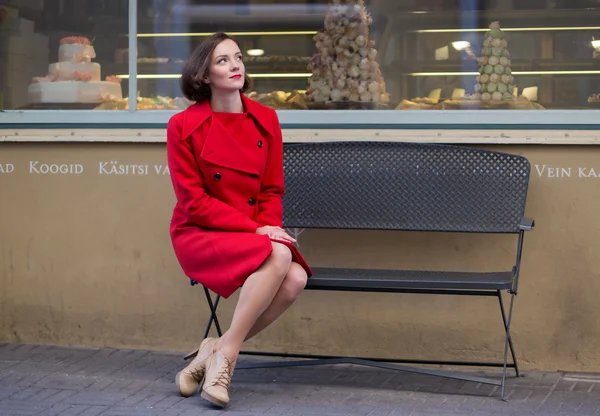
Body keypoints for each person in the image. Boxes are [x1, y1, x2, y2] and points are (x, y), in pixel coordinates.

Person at [166, 32, 312, 408]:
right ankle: (226, 359)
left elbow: (270, 191)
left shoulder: (266, 119)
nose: (235, 66)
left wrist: (265, 226)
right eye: (222, 60)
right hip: (201, 231)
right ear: (204, 75)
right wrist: (258, 230)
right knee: (281, 258)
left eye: (238, 58)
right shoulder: (183, 125)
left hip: (251, 230)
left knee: (296, 278)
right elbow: (193, 202)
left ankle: (216, 348)